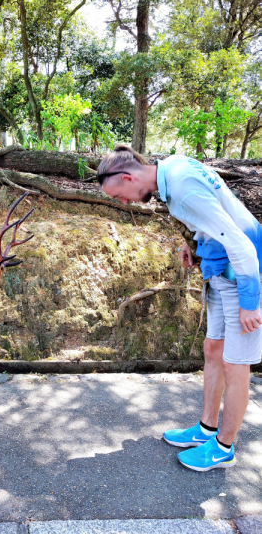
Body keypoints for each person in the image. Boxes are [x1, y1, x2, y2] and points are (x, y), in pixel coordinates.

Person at [97, 145, 262, 472]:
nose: (125, 202)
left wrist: (250, 302)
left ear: (129, 177)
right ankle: (206, 430)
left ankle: (224, 449)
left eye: (121, 196)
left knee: (236, 362)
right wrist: (195, 241)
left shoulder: (181, 189)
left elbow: (241, 242)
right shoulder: (173, 168)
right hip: (219, 267)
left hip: (242, 271)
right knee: (214, 348)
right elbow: (215, 209)